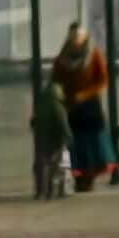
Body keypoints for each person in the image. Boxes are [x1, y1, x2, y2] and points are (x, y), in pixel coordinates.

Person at [50, 20, 113, 194]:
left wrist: (84, 95)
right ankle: (75, 177)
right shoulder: (62, 58)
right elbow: (56, 80)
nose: (76, 39)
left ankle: (88, 178)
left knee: (90, 144)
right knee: (72, 143)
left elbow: (103, 80)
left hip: (89, 107)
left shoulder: (94, 55)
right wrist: (62, 97)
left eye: (79, 35)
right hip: (70, 108)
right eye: (73, 35)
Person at [28, 66, 72, 199]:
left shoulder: (40, 105)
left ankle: (42, 190)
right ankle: (61, 189)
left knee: (44, 165)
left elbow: (33, 122)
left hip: (43, 140)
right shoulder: (58, 106)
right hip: (57, 140)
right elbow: (63, 125)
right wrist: (68, 138)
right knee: (63, 162)